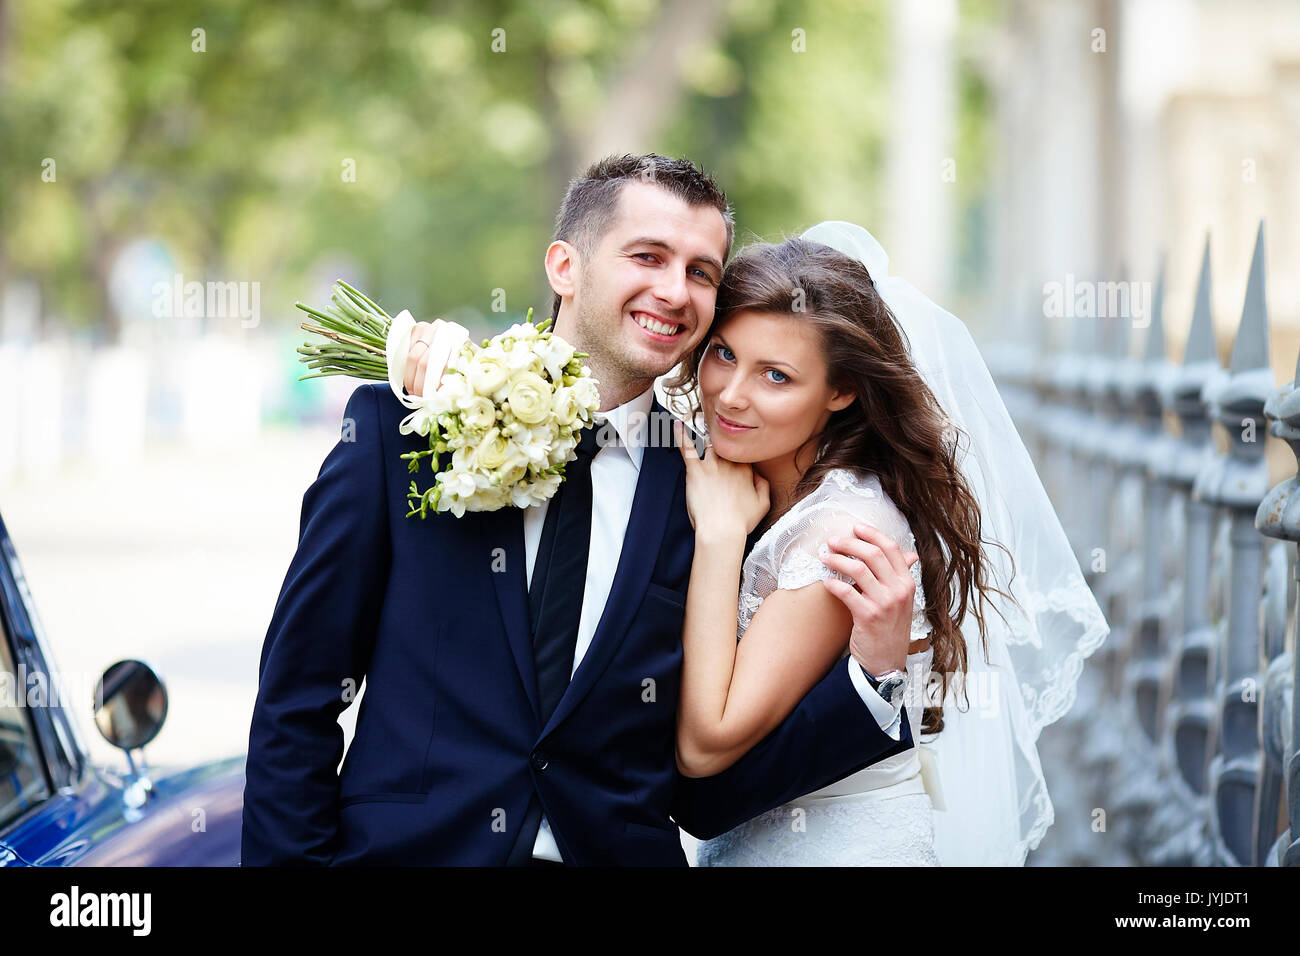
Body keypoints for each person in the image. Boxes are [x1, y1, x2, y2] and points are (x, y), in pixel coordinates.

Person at [241, 156, 919, 866]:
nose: (674, 290)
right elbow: (299, 698)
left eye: (701, 272)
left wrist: (873, 687)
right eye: (648, 256)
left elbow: (704, 792)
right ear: (565, 266)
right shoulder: (404, 429)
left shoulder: (716, 495)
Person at [666, 223, 1108, 866]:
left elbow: (707, 744)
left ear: (840, 392)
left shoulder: (841, 535)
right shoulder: (752, 479)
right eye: (725, 354)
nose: (730, 395)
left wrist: (721, 536)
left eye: (777, 376)